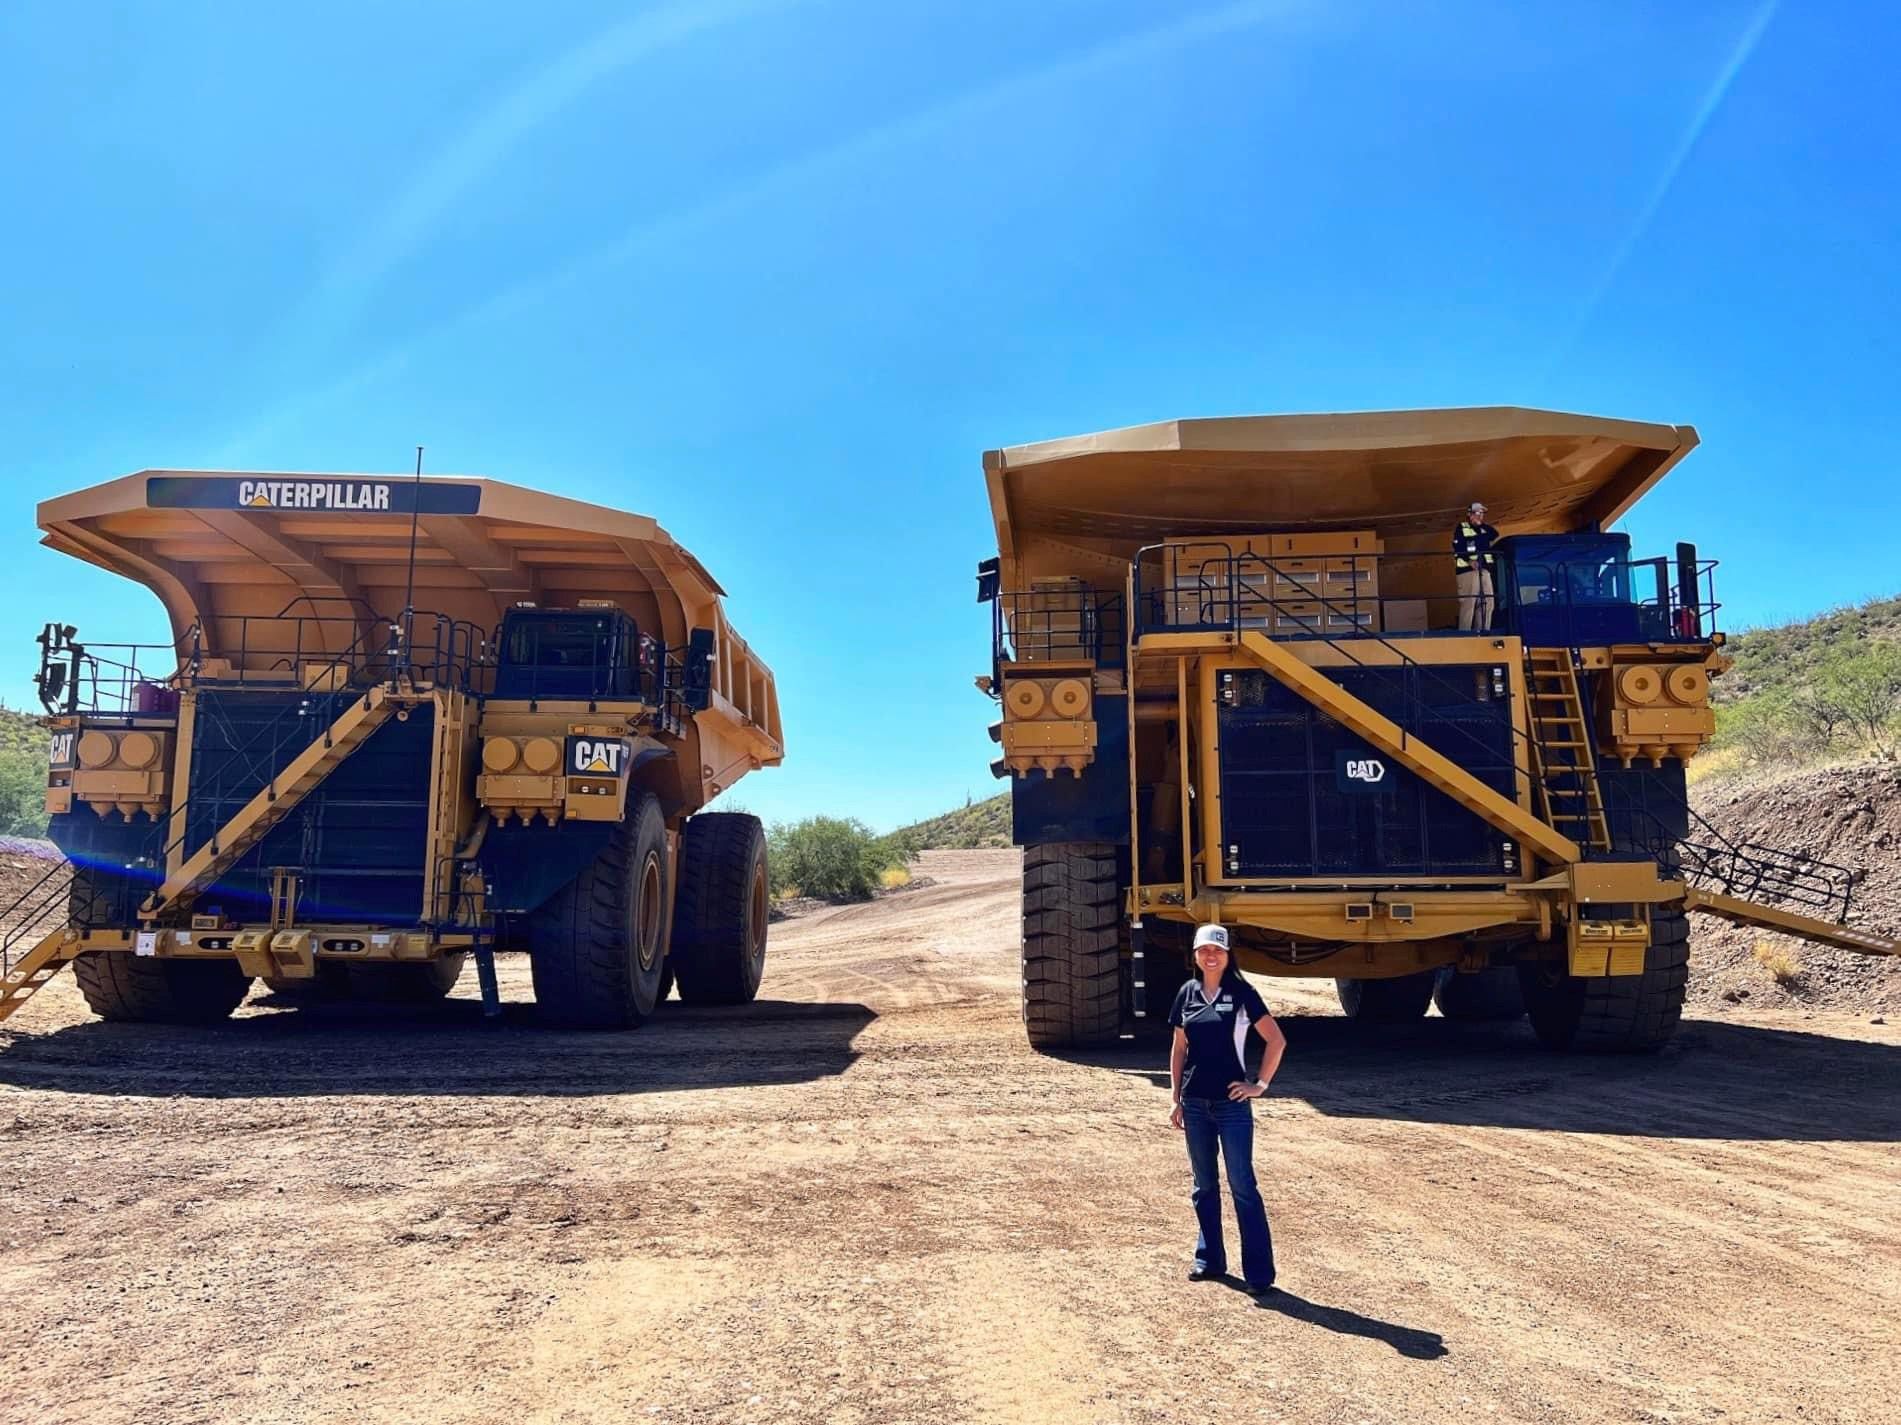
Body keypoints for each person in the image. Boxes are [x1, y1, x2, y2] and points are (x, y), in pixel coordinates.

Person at [1167, 923, 1286, 1295]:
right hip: (1195, 1104)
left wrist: (1259, 1086)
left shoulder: (1242, 993)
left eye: (1217, 950)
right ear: (1196, 955)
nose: (1211, 956)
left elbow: (1276, 1041)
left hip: (1232, 1107)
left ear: (1228, 954)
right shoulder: (1186, 993)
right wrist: (1175, 1098)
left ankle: (1259, 1275)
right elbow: (1179, 1049)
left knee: (1243, 1186)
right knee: (1204, 1186)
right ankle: (1210, 1260)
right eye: (1204, 950)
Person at [1453, 500, 1499, 630]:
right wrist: (1469, 561)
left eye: (1482, 513)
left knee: (1488, 603)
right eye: (1477, 513)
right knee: (1469, 604)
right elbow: (1458, 547)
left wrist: (1480, 524)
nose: (1480, 515)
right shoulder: (1462, 528)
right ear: (1469, 514)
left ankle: (1483, 631)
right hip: (1467, 571)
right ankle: (1465, 633)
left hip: (1484, 570)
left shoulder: (1484, 529)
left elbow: (1495, 533)